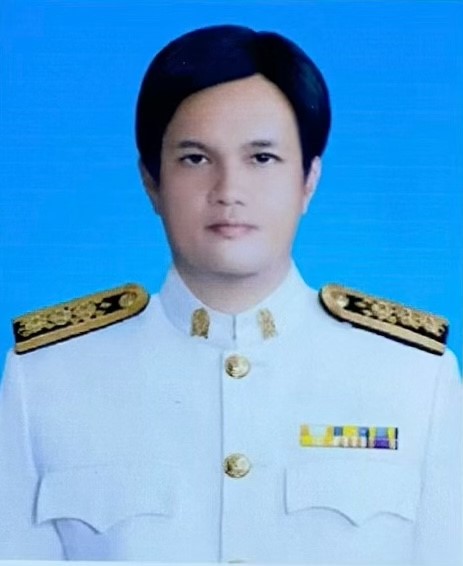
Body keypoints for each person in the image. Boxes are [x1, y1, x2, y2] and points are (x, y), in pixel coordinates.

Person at [0, 24, 461, 565]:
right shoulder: (47, 377)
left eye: (261, 158)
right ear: (151, 181)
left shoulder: (413, 376)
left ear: (309, 179)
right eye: (196, 159)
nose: (228, 191)